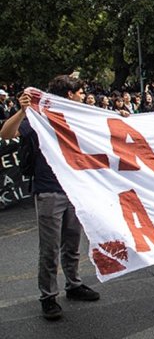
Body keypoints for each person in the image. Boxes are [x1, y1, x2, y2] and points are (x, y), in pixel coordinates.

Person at [0, 75, 108, 321]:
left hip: (74, 190)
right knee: (49, 248)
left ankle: (74, 284)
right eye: (80, 92)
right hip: (49, 190)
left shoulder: (77, 118)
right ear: (69, 95)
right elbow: (6, 134)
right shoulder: (38, 118)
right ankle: (48, 296)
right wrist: (22, 110)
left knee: (72, 242)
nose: (83, 95)